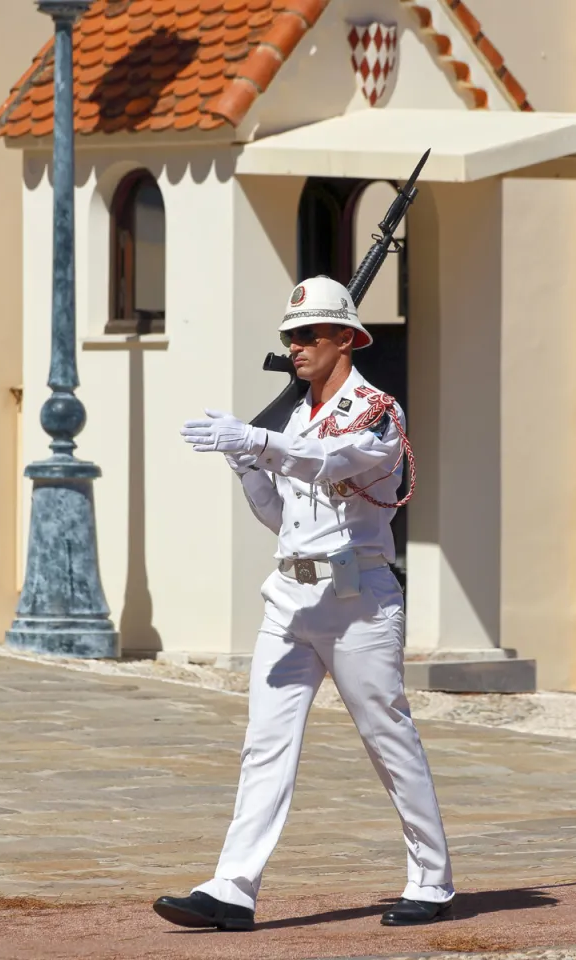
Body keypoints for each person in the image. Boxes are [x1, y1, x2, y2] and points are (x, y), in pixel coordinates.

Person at [153, 276, 454, 931]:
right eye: (289, 336)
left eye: (308, 335)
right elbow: (281, 516)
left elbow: (331, 460)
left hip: (356, 600)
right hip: (289, 596)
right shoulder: (290, 417)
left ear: (346, 338)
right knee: (264, 743)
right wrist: (246, 469)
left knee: (385, 737)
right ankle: (232, 886)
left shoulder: (376, 411)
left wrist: (258, 442)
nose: (294, 346)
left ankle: (431, 878)